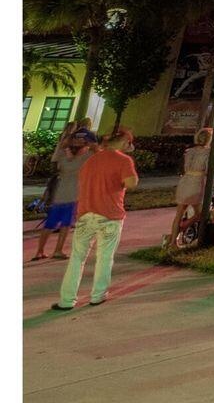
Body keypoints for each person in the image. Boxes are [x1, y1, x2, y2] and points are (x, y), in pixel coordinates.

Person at [53, 128, 139, 310]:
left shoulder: (91, 160)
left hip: (86, 214)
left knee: (77, 258)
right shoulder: (124, 160)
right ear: (125, 142)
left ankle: (66, 300)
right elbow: (131, 183)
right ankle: (97, 295)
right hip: (110, 214)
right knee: (105, 257)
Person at [33, 139, 92, 261]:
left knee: (49, 225)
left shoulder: (62, 158)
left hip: (58, 196)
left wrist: (65, 145)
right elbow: (93, 151)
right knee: (65, 225)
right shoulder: (81, 160)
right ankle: (58, 250)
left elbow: (60, 150)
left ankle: (39, 251)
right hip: (71, 197)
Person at [168, 127, 213, 247]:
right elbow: (207, 169)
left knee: (179, 213)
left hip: (185, 180)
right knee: (201, 213)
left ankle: (173, 241)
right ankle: (184, 228)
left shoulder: (189, 151)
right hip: (197, 182)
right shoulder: (208, 153)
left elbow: (185, 167)